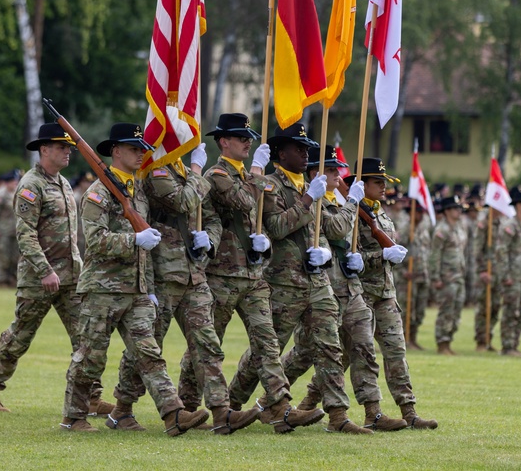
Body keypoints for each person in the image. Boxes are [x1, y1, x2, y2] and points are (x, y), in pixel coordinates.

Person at [175, 113, 323, 433]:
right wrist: (258, 172)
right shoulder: (217, 174)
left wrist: (264, 244)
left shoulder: (247, 176)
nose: (248, 141)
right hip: (221, 275)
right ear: (223, 142)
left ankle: (281, 406)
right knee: (206, 344)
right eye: (241, 137)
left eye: (249, 137)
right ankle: (186, 408)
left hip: (252, 275)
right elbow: (243, 202)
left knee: (267, 342)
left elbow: (262, 221)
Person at [61, 122, 207, 434]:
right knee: (91, 357)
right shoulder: (98, 193)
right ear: (115, 151)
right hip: (103, 289)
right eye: (133, 148)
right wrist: (133, 241)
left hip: (138, 289)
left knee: (150, 354)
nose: (141, 153)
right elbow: (95, 240)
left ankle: (173, 413)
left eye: (143, 148)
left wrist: (150, 286)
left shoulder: (138, 190)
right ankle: (73, 417)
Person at [226, 122, 369, 434]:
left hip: (317, 281)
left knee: (330, 346)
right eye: (298, 148)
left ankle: (338, 415)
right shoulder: (271, 186)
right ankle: (231, 404)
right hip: (283, 281)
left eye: (307, 148)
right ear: (281, 152)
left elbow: (329, 230)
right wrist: (307, 201)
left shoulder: (311, 185)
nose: (306, 154)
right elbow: (275, 227)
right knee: (267, 351)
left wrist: (329, 247)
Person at [111, 142, 258, 435]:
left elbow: (211, 215)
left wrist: (210, 239)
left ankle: (221, 412)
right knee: (150, 346)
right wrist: (195, 169)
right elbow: (181, 201)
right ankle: (122, 409)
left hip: (194, 272)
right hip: (163, 273)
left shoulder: (184, 173)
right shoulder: (156, 171)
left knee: (207, 344)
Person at [0, 123, 114, 416]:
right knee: (20, 337)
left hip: (71, 277)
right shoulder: (30, 185)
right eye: (62, 147)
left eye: (68, 148)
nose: (67, 153)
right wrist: (45, 270)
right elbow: (25, 234)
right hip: (40, 278)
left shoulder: (62, 183)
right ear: (44, 149)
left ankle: (91, 397)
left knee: (86, 338)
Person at [280, 147, 412, 431]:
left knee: (364, 349)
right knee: (305, 354)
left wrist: (377, 258)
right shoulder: (319, 202)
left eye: (336, 170)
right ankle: (270, 403)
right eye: (330, 170)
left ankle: (373, 413)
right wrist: (370, 256)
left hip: (354, 290)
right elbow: (338, 233)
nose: (335, 175)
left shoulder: (359, 208)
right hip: (324, 289)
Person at [350, 156, 436, 430]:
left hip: (385, 292)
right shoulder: (350, 212)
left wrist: (390, 255)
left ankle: (409, 411)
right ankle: (371, 413)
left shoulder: (380, 213)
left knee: (396, 352)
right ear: (361, 183)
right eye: (378, 182)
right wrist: (381, 255)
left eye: (384, 182)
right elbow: (351, 258)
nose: (384, 187)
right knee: (353, 355)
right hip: (360, 293)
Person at [491, 186, 521, 356]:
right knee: (511, 311)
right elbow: (501, 252)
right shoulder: (510, 226)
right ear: (518, 206)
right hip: (513, 277)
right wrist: (505, 275)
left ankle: (515, 344)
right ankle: (507, 346)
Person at [430, 195, 466, 355]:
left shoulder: (459, 228)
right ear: (447, 211)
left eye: (459, 208)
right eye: (455, 208)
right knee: (446, 310)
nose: (458, 211)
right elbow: (435, 255)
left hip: (458, 275)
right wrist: (436, 277)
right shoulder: (441, 230)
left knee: (456, 310)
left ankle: (449, 340)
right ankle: (442, 343)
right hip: (446, 277)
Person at [394, 202, 432, 350]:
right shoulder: (404, 230)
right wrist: (403, 271)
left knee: (419, 310)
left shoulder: (423, 229)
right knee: (407, 309)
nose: (420, 215)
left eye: (422, 212)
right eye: (418, 212)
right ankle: (405, 339)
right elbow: (395, 252)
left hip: (421, 275)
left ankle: (413, 337)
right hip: (407, 277)